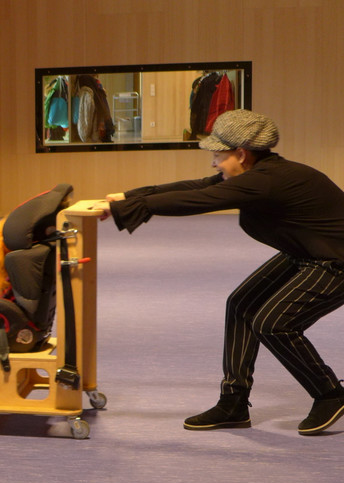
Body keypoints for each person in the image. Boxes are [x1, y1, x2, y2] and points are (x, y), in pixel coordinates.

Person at [97, 109, 344, 435]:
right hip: (306, 254)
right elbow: (199, 186)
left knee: (273, 324)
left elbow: (201, 201)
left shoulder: (264, 182)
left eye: (218, 155)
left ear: (241, 154)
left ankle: (330, 394)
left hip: (336, 262)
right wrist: (130, 196)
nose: (214, 163)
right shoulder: (259, 172)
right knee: (242, 305)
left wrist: (126, 209)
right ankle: (233, 403)